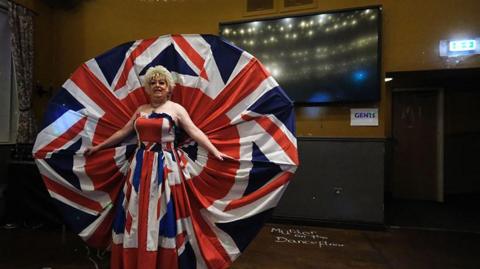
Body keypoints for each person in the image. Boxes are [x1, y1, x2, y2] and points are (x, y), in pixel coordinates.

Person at [85, 65, 229, 268]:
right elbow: (123, 132)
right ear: (147, 88)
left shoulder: (176, 109)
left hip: (165, 166)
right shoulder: (140, 110)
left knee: (163, 209)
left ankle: (161, 258)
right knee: (136, 209)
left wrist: (214, 151)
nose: (157, 86)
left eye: (162, 82)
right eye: (153, 83)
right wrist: (98, 147)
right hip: (139, 166)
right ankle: (138, 255)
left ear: (169, 87)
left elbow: (195, 132)